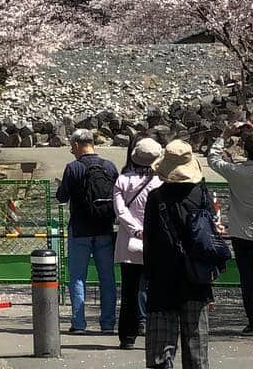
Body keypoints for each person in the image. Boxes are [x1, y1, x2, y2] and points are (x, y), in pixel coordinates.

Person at [143, 139, 215, 368]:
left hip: (163, 279)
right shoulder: (201, 194)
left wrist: (149, 278)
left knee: (161, 351)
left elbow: (149, 243)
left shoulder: (156, 198)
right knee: (196, 348)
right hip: (196, 278)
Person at [55, 127, 119, 334]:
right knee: (107, 278)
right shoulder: (109, 167)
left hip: (80, 230)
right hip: (105, 228)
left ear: (75, 145)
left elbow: (62, 197)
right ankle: (108, 323)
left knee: (77, 277)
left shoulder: (73, 168)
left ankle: (79, 324)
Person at [114, 136, 163, 349]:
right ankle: (155, 332)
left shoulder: (122, 180)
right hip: (155, 242)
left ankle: (127, 336)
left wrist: (135, 228)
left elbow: (120, 210)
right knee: (156, 290)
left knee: (129, 291)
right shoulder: (160, 182)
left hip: (129, 242)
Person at [207, 121, 253, 335]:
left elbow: (213, 159)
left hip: (242, 232)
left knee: (248, 278)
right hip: (243, 230)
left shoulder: (237, 171)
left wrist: (224, 135)